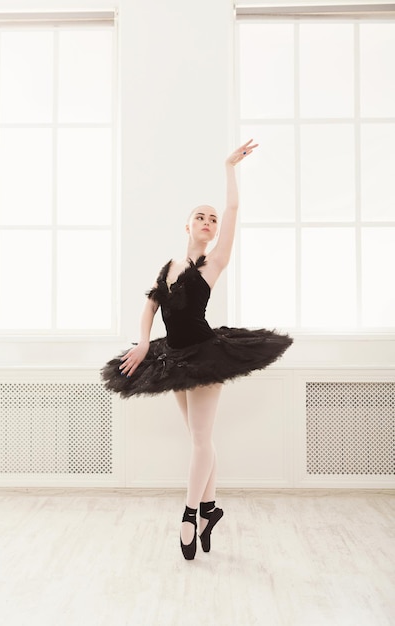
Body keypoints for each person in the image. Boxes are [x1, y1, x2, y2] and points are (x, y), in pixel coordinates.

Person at [101, 140, 293, 560]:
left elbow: (233, 212)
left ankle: (190, 515)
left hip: (205, 354)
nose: (208, 221)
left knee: (201, 440)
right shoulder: (169, 267)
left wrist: (229, 167)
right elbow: (150, 305)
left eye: (211, 219)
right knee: (198, 439)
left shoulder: (213, 263)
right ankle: (209, 509)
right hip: (172, 357)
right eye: (199, 217)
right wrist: (144, 342)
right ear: (186, 226)